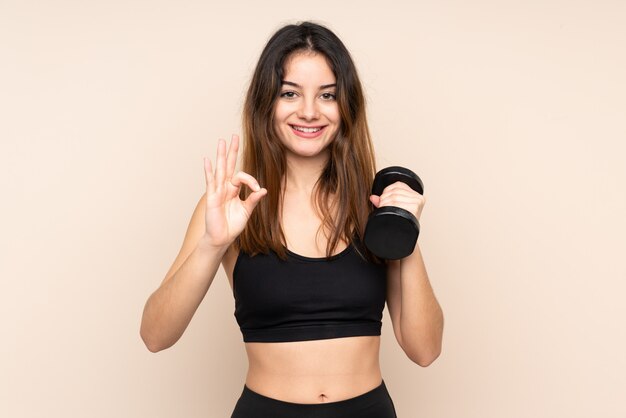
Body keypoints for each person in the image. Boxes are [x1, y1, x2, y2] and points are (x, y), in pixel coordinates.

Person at [140, 21, 444, 418]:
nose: (309, 112)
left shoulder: (374, 207)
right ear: (267, 102)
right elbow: (155, 336)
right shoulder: (232, 205)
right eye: (290, 93)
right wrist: (212, 245)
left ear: (346, 105)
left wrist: (402, 227)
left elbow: (425, 350)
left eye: (327, 95)